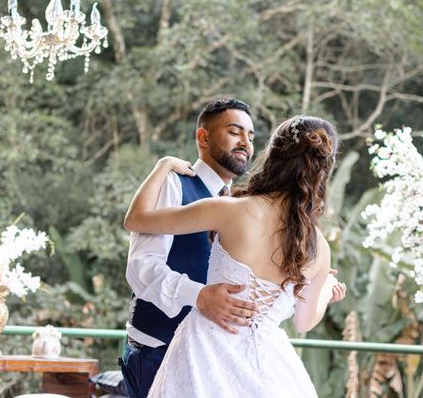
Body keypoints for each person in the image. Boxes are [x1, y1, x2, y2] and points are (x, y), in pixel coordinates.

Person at [124, 115, 347, 398]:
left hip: (205, 354)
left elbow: (137, 220)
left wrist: (163, 164)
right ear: (323, 171)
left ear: (273, 156)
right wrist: (326, 290)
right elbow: (304, 322)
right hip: (270, 368)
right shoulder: (319, 248)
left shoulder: (231, 210)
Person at [120, 98, 259, 398]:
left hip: (213, 358)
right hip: (159, 351)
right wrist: (198, 295)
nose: (245, 142)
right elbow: (141, 267)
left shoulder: (239, 204)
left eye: (250, 136)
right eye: (235, 132)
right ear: (203, 137)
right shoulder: (174, 184)